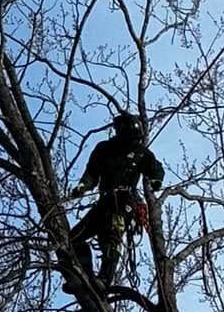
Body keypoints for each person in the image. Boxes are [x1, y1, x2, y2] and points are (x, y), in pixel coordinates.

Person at [66, 110, 164, 288]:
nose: (133, 141)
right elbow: (92, 173)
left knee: (112, 235)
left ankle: (104, 280)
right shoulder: (104, 149)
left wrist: (156, 181)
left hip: (126, 201)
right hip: (105, 200)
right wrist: (82, 186)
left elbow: (156, 169)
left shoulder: (141, 153)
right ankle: (83, 275)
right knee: (74, 238)